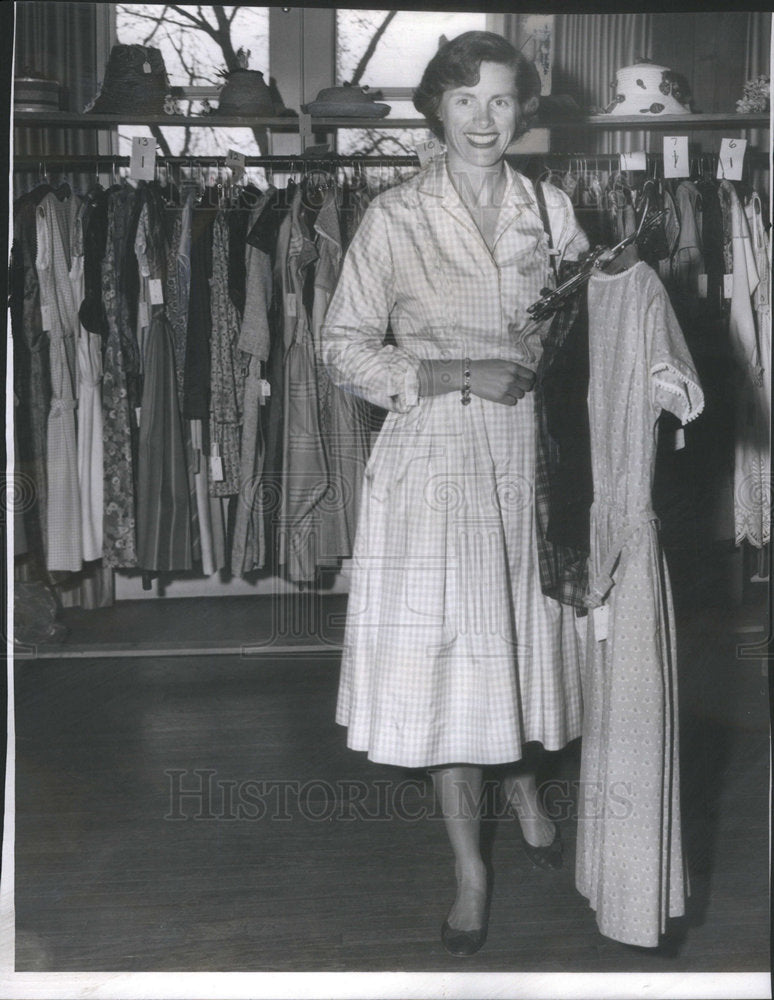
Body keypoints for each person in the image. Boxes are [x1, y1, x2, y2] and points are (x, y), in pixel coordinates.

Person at [321, 31, 590, 956]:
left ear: (526, 111)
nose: (484, 119)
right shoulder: (394, 217)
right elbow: (342, 345)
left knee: (516, 646)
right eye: (466, 99)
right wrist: (458, 371)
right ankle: (471, 873)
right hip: (432, 462)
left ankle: (520, 783)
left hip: (529, 462)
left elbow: (583, 333)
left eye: (504, 100)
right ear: (436, 107)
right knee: (451, 664)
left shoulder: (552, 212)